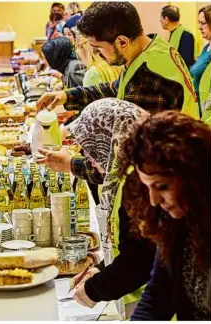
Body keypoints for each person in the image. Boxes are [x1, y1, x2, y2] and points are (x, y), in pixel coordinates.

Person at [37, 2, 199, 189]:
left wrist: (71, 164)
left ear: (122, 41)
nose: (98, 54)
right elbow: (117, 87)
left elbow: (125, 162)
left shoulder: (148, 80)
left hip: (169, 181)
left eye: (98, 48)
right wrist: (67, 96)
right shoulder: (151, 49)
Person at [38, 99, 156, 319]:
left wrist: (94, 289)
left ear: (109, 140)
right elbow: (129, 248)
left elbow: (138, 262)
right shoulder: (126, 174)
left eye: (91, 149)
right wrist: (102, 269)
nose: (89, 160)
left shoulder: (138, 185)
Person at [118, 111, 211, 321]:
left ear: (193, 177)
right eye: (147, 187)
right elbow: (159, 295)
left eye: (161, 186)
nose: (153, 200)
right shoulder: (175, 221)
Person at [190, 5, 211, 122]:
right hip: (199, 108)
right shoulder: (206, 48)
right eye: (199, 23)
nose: (199, 27)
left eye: (203, 23)